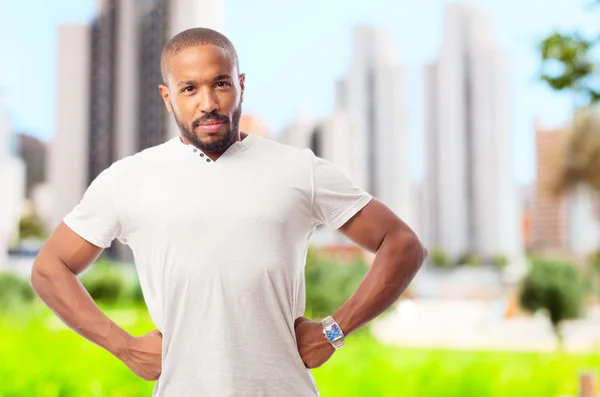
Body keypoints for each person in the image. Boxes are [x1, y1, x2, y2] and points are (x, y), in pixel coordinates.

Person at [30, 28, 427, 397]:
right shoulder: (127, 179)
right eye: (189, 89)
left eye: (220, 83)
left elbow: (402, 244)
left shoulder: (298, 170)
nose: (208, 103)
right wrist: (124, 347)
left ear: (240, 85)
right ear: (168, 97)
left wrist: (334, 330)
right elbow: (50, 267)